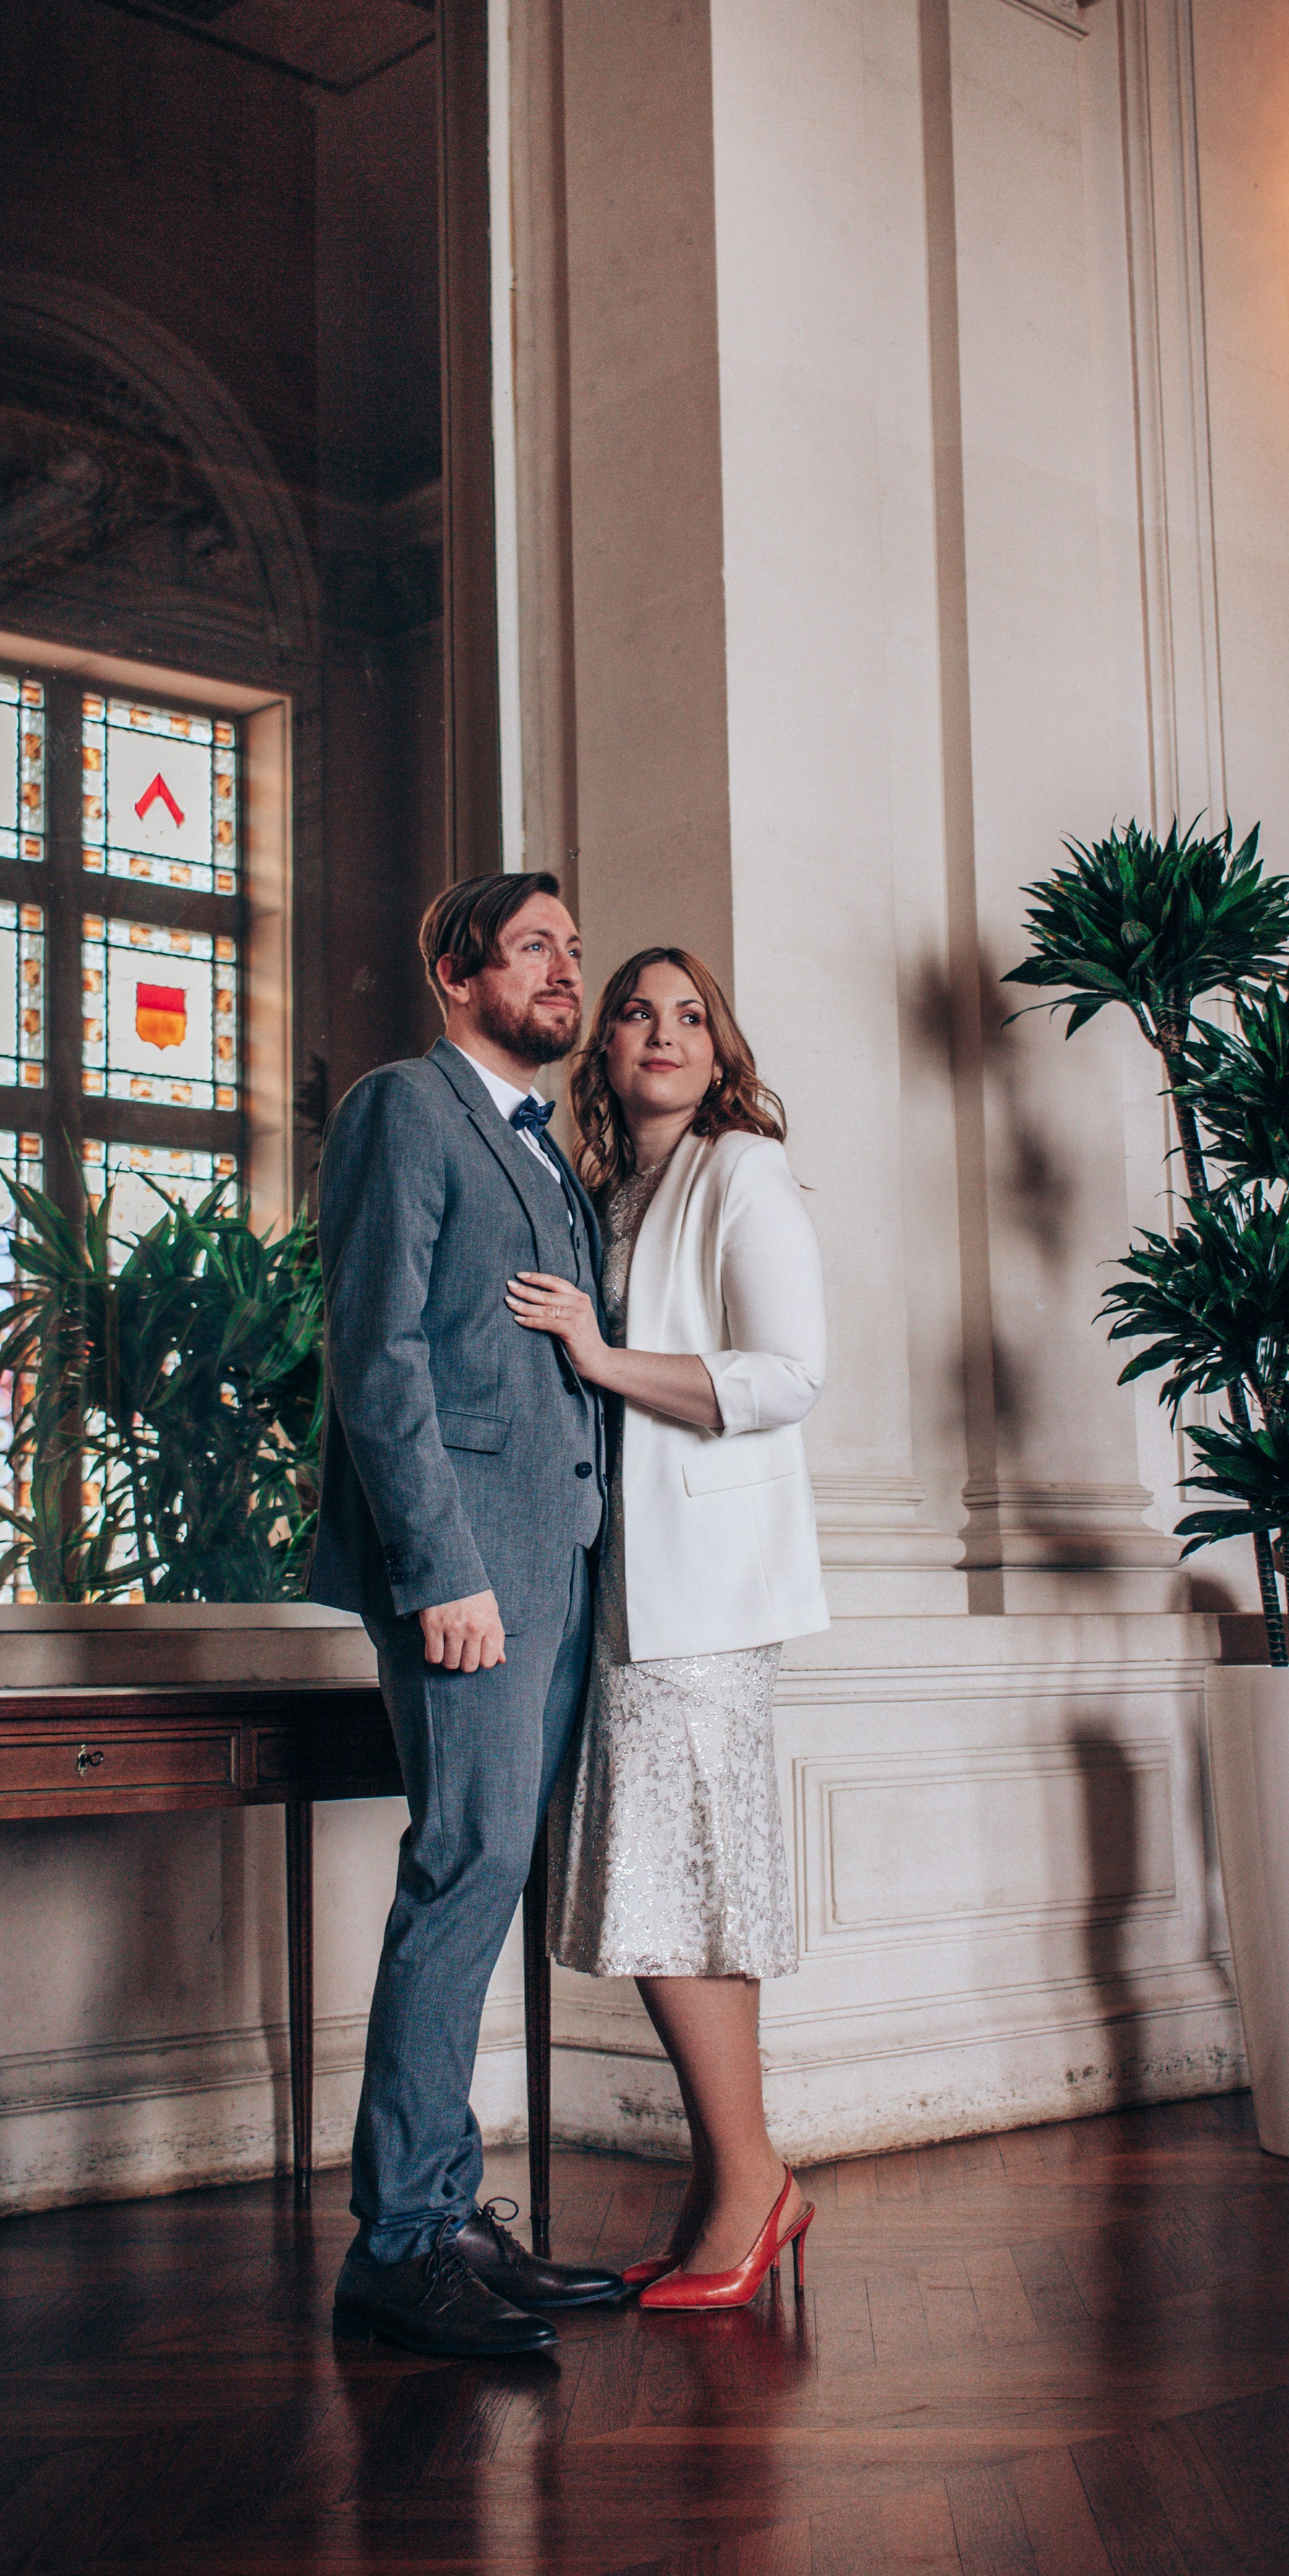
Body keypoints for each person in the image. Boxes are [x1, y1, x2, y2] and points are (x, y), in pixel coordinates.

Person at [309, 870, 626, 2357]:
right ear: (455, 970)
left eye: (573, 949)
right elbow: (378, 1355)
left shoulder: (543, 1148)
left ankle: (443, 2209)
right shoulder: (403, 1109)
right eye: (533, 948)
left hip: (553, 1567)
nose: (565, 971)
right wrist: (441, 1569)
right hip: (470, 1578)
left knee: (487, 1876)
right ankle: (401, 2244)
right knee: (463, 1868)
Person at [505, 946, 828, 2310]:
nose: (662, 1032)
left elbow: (790, 1374)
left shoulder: (741, 1170)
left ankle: (749, 2183)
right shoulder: (605, 1194)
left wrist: (600, 1356)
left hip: (705, 1588)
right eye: (637, 1011)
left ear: (720, 1049)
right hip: (621, 1582)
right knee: (673, 1881)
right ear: (606, 1046)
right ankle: (733, 2186)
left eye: (691, 1017)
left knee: (678, 1876)